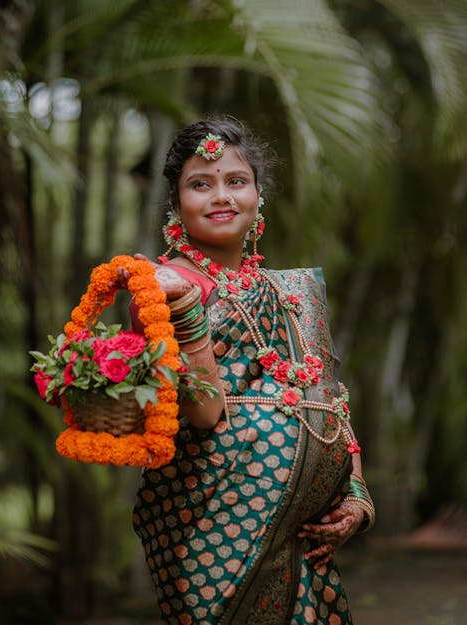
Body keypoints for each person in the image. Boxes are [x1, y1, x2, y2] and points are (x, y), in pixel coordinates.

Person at [130, 118, 375, 625]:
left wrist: (355, 499)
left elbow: (331, 403)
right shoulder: (163, 287)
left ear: (258, 196)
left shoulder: (291, 292)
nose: (221, 196)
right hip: (209, 534)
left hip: (302, 539)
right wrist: (183, 309)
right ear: (176, 205)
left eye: (236, 181)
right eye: (201, 184)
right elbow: (205, 413)